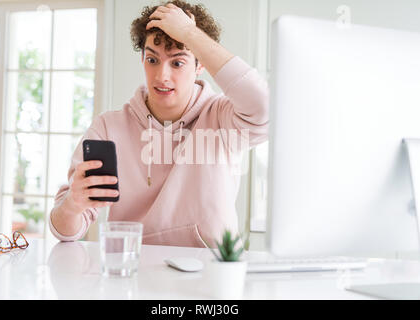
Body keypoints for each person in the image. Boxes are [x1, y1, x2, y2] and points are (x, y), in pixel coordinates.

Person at [49, 0, 269, 247]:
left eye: (177, 62)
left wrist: (190, 34)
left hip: (210, 272)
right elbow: (64, 231)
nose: (162, 76)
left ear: (200, 64)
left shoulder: (221, 117)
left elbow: (265, 108)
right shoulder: (109, 128)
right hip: (133, 270)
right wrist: (72, 205)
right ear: (142, 57)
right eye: (152, 60)